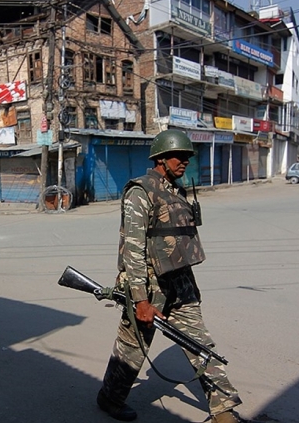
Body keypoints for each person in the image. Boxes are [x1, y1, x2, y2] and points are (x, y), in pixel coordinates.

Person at [96, 129, 244, 423]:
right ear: (162, 158)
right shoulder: (140, 191)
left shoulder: (177, 190)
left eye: (189, 156)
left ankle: (223, 410)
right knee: (132, 349)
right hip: (149, 289)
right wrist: (139, 299)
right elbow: (133, 250)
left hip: (181, 285)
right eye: (180, 156)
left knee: (201, 345)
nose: (186, 161)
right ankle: (110, 399)